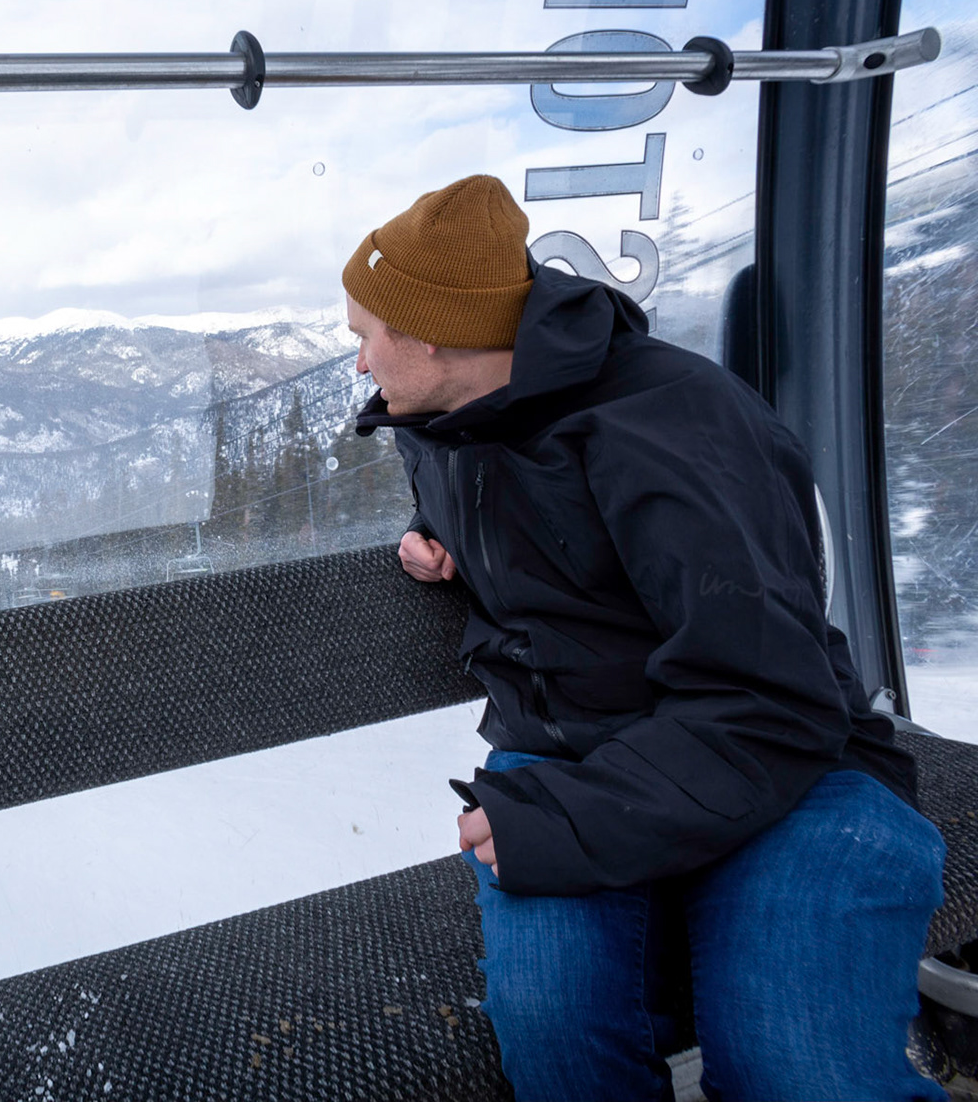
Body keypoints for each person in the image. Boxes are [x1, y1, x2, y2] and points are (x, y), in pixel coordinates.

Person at [345, 174, 946, 1101]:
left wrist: (565, 822)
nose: (357, 366)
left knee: (799, 1069)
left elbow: (774, 701)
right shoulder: (450, 409)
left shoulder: (675, 431)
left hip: (789, 760)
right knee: (561, 1048)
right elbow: (534, 502)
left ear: (431, 332)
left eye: (364, 336)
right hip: (563, 750)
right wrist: (443, 542)